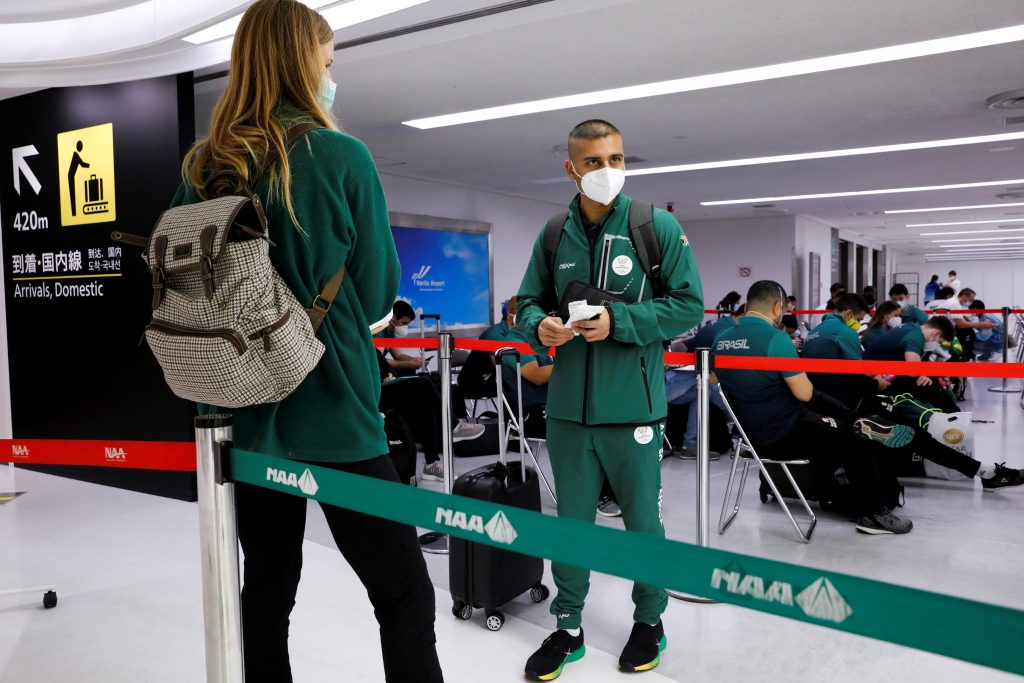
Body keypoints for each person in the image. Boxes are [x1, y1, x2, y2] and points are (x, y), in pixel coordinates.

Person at [170, 3, 443, 681]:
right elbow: (381, 294)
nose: (331, 76)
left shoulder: (206, 165)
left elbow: (183, 287)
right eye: (327, 62)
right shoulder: (341, 155)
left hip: (244, 416)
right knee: (403, 591)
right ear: (302, 62)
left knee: (266, 591)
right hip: (338, 414)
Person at [516, 119, 704, 679]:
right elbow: (525, 302)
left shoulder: (655, 226)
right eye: (594, 162)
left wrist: (619, 320)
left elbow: (689, 306)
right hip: (570, 411)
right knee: (571, 524)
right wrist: (539, 326)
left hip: (635, 411)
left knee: (642, 524)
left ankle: (650, 621)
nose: (608, 171)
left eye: (617, 159)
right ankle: (567, 626)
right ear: (571, 169)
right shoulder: (554, 233)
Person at [713, 281, 914, 535]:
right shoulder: (776, 339)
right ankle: (874, 515)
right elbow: (804, 393)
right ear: (777, 307)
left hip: (750, 437)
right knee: (857, 440)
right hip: (783, 434)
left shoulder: (721, 340)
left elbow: (715, 381)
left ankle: (851, 423)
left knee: (839, 425)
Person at [802, 299, 1022, 491]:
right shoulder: (844, 332)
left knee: (914, 431)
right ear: (849, 314)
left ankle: (985, 471)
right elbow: (864, 371)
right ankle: (987, 472)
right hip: (853, 403)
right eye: (859, 318)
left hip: (838, 401)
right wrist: (878, 382)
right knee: (915, 434)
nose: (859, 323)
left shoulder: (815, 332)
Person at [863, 315, 960, 413]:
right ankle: (948, 416)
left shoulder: (911, 327)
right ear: (935, 333)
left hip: (882, 371)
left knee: (931, 381)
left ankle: (950, 413)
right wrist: (922, 375)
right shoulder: (915, 337)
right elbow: (913, 369)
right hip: (876, 377)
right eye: (939, 341)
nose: (937, 344)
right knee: (927, 386)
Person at [376, 300, 425, 376]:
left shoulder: (391, 332)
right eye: (404, 323)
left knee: (409, 369)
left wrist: (413, 360)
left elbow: (398, 355)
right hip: (376, 369)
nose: (404, 327)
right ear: (394, 317)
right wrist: (408, 363)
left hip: (383, 366)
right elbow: (379, 361)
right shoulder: (378, 333)